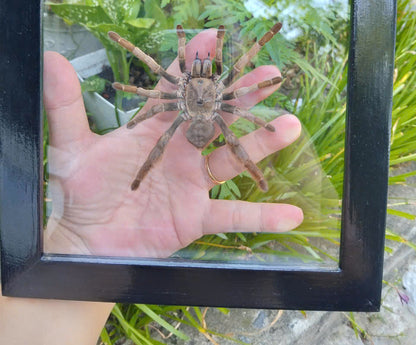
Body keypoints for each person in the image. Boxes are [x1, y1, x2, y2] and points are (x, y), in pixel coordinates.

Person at [0, 28, 303, 345]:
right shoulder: (210, 95)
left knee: (172, 131)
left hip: (189, 120)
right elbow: (166, 95)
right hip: (199, 119)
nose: (201, 82)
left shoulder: (184, 91)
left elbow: (160, 93)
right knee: (198, 130)